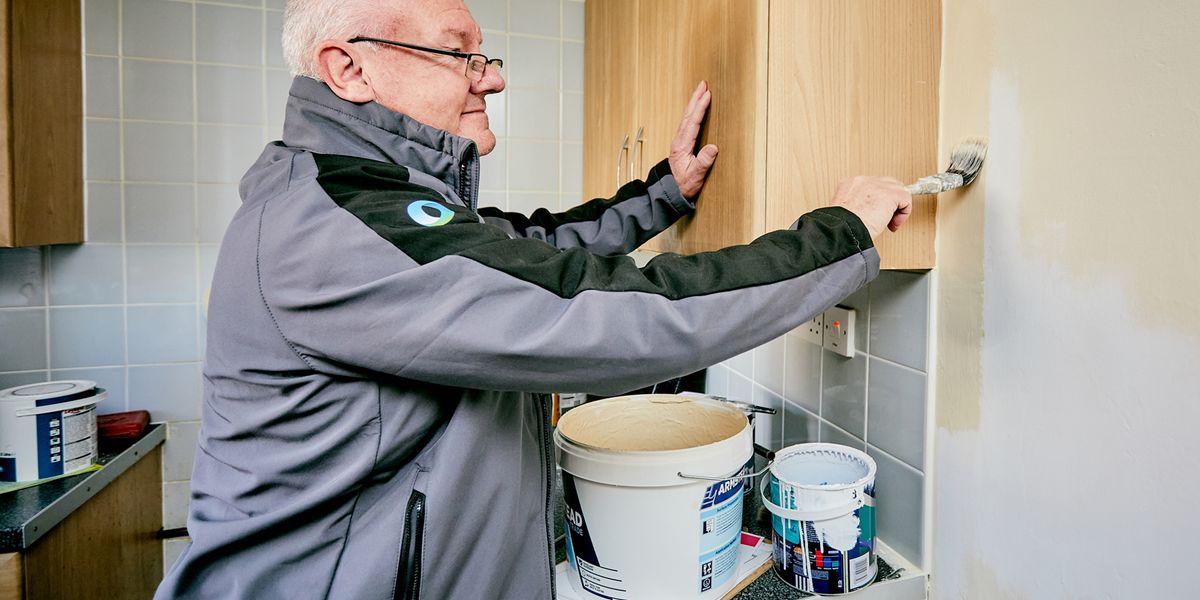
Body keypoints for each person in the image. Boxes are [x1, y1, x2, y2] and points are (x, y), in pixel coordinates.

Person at [155, 0, 911, 598]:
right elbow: (602, 311)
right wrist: (838, 237)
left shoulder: (376, 203)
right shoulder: (333, 231)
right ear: (349, 69)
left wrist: (662, 194)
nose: (492, 78)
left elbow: (538, 253)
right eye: (461, 53)